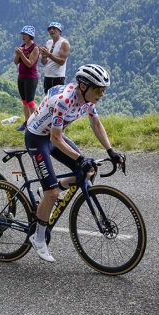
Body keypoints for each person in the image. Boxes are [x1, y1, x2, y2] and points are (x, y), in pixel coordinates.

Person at [23, 64, 125, 263]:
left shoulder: (87, 99)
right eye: (99, 90)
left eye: (104, 90)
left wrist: (111, 151)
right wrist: (79, 158)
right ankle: (38, 237)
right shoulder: (64, 101)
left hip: (53, 136)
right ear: (84, 86)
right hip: (38, 139)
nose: (102, 94)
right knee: (51, 192)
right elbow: (55, 140)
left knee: (88, 170)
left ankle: (47, 198)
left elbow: (96, 123)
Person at [13, 25, 40, 127]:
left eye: (25, 34)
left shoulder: (35, 48)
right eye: (22, 34)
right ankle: (27, 122)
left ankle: (39, 121)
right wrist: (17, 54)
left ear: (30, 36)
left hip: (31, 78)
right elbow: (16, 62)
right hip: (22, 77)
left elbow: (30, 64)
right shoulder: (22, 46)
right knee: (24, 101)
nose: (23, 36)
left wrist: (22, 54)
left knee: (30, 101)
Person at [39, 21, 70, 92]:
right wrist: (44, 56)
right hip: (47, 76)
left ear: (60, 31)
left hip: (58, 77)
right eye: (50, 29)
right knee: (47, 99)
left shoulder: (64, 43)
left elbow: (62, 61)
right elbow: (44, 62)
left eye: (54, 28)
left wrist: (49, 54)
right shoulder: (48, 42)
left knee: (56, 100)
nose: (51, 30)